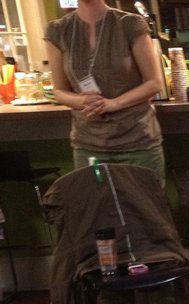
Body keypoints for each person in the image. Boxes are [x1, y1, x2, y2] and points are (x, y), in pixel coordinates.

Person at [44, 0, 165, 183]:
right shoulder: (58, 30)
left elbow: (154, 82)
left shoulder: (130, 23)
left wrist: (113, 104)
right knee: (96, 208)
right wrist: (83, 101)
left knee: (144, 208)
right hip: (88, 143)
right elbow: (60, 90)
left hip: (137, 139)